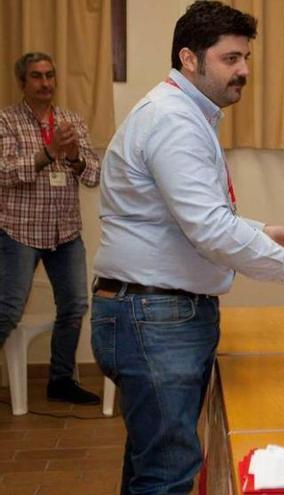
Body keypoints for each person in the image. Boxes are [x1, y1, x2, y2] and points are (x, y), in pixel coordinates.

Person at [90, 2, 284, 493]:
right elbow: (207, 227)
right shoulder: (173, 119)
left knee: (154, 465)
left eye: (246, 58)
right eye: (231, 59)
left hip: (151, 312)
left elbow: (184, 217)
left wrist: (256, 231)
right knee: (167, 473)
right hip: (155, 316)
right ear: (190, 58)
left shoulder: (182, 113)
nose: (244, 71)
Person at [0, 52, 101, 405]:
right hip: (19, 231)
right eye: (36, 76)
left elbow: (94, 175)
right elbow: (5, 172)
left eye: (50, 76)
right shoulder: (7, 121)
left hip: (65, 232)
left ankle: (60, 381)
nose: (45, 83)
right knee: (7, 310)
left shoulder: (71, 120)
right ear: (23, 83)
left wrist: (73, 156)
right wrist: (48, 152)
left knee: (74, 305)